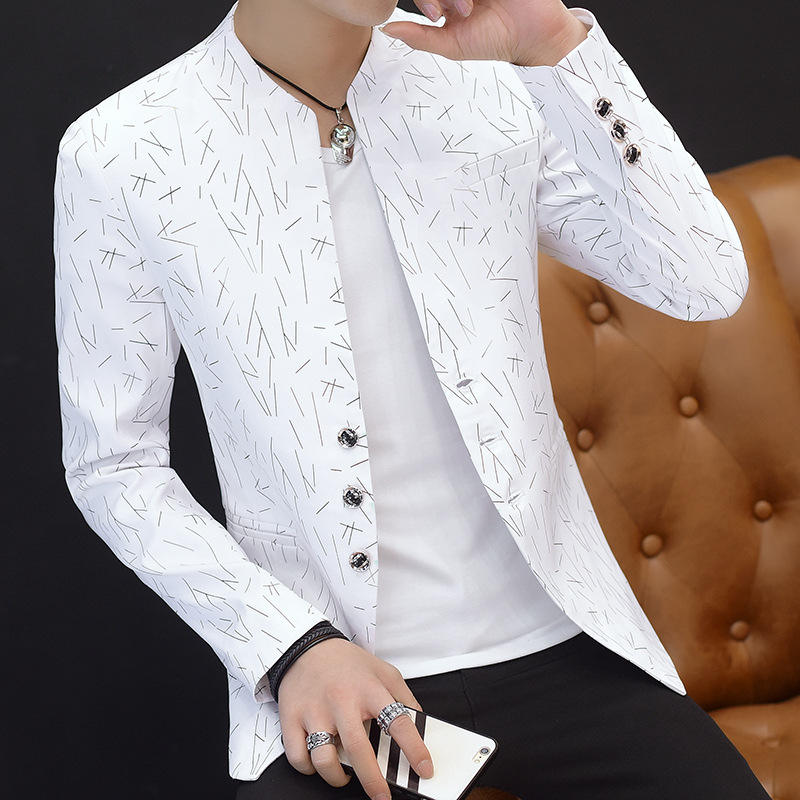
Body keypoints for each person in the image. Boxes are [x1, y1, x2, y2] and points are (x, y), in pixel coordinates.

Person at [52, 1, 761, 799]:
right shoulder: (122, 151)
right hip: (341, 677)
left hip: (565, 645)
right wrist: (290, 645)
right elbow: (115, 464)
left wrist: (558, 47)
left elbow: (703, 280)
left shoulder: (489, 85)